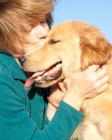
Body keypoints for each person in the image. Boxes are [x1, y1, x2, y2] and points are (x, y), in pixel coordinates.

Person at [0, 0, 109, 140]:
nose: (44, 32)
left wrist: (53, 105)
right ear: (8, 35)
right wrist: (75, 96)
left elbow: (43, 130)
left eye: (43, 21)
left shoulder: (43, 73)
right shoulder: (2, 82)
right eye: (29, 28)